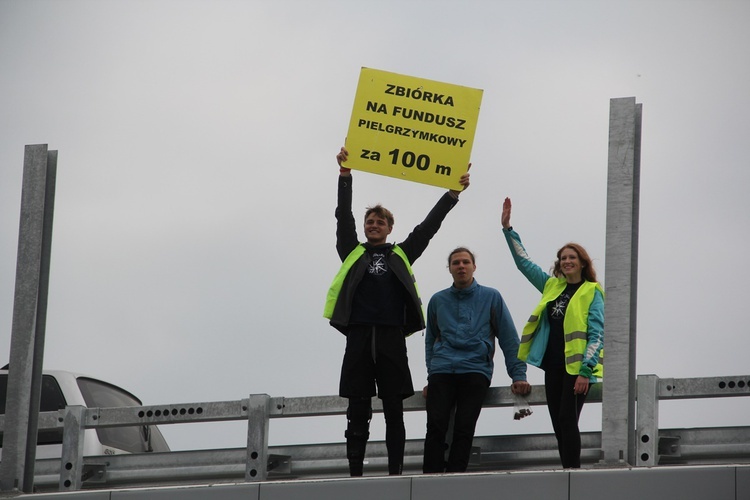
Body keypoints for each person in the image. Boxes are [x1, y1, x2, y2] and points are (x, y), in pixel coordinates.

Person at [324, 146, 471, 476]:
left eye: (380, 222)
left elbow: (428, 228)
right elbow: (342, 219)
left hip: (391, 336)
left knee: (394, 408)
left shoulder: (402, 253)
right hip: (359, 335)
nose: (374, 225)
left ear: (390, 228)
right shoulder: (350, 251)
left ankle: (395, 473)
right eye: (370, 221)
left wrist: (452, 194)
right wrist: (345, 176)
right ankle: (355, 474)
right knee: (358, 408)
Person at [500, 197, 604, 469]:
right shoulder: (551, 286)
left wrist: (585, 371)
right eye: (562, 258)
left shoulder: (592, 291)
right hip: (553, 366)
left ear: (582, 262)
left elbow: (597, 334)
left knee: (568, 421)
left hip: (577, 370)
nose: (566, 261)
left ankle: (573, 473)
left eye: (572, 257)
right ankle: (567, 470)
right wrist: (508, 230)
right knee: (558, 423)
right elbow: (525, 264)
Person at [422, 247, 531, 474]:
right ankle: (429, 479)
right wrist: (431, 374)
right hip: (442, 370)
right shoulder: (437, 300)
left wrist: (518, 375)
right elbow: (431, 340)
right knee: (435, 425)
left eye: (465, 262)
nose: (461, 266)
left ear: (474, 266)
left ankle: (455, 478)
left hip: (475, 370)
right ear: (449, 269)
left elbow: (509, 338)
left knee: (464, 426)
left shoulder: (491, 297)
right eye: (456, 263)